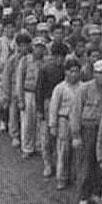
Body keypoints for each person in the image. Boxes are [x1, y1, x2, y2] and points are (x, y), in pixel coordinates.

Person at [71, 60, 102, 204]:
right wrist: (76, 135)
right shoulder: (84, 89)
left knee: (101, 162)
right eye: (99, 72)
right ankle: (83, 196)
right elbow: (76, 112)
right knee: (86, 163)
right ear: (94, 73)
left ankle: (96, 191)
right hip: (88, 129)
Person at [49, 58, 84, 190]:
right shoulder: (60, 88)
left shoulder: (83, 87)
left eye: (76, 71)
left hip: (78, 122)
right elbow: (54, 107)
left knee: (78, 151)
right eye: (71, 71)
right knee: (63, 150)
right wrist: (53, 125)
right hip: (64, 120)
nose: (74, 74)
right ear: (66, 72)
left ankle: (75, 177)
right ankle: (62, 178)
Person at [37, 42, 69, 177]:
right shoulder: (45, 69)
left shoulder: (66, 69)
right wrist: (39, 109)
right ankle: (47, 164)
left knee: (60, 138)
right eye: (57, 56)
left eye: (62, 56)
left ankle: (59, 164)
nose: (60, 59)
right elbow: (39, 90)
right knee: (46, 137)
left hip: (63, 104)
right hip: (48, 103)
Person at [16, 36, 46, 159]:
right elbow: (19, 80)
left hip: (40, 94)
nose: (39, 50)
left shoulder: (45, 62)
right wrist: (21, 99)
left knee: (39, 122)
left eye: (41, 48)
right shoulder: (25, 60)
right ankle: (27, 147)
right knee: (27, 122)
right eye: (37, 47)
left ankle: (38, 146)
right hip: (28, 93)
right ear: (32, 47)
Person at [1, 32, 30, 149]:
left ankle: (24, 136)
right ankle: (15, 135)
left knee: (24, 114)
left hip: (24, 89)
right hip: (13, 88)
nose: (24, 48)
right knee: (14, 113)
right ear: (18, 46)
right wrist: (6, 92)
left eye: (26, 45)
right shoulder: (13, 59)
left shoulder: (29, 59)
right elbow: (6, 76)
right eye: (22, 45)